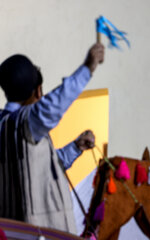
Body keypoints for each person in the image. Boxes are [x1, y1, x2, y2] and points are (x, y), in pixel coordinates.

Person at [0, 43, 104, 234]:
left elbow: (40, 168)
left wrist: (75, 147)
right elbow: (54, 104)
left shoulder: (3, 125)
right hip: (43, 234)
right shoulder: (25, 123)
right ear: (38, 91)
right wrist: (88, 67)